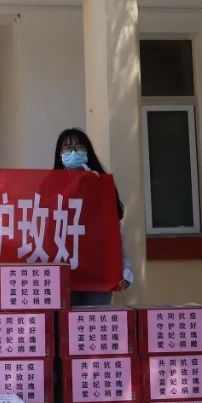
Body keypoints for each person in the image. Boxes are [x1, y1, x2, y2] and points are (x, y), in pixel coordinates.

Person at [53, 127, 135, 304]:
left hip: (98, 273)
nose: (73, 152)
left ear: (87, 151)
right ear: (59, 154)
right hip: (63, 274)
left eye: (79, 147)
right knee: (67, 321)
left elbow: (113, 233)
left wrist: (125, 269)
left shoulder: (100, 184)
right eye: (67, 148)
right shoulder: (49, 187)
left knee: (95, 320)